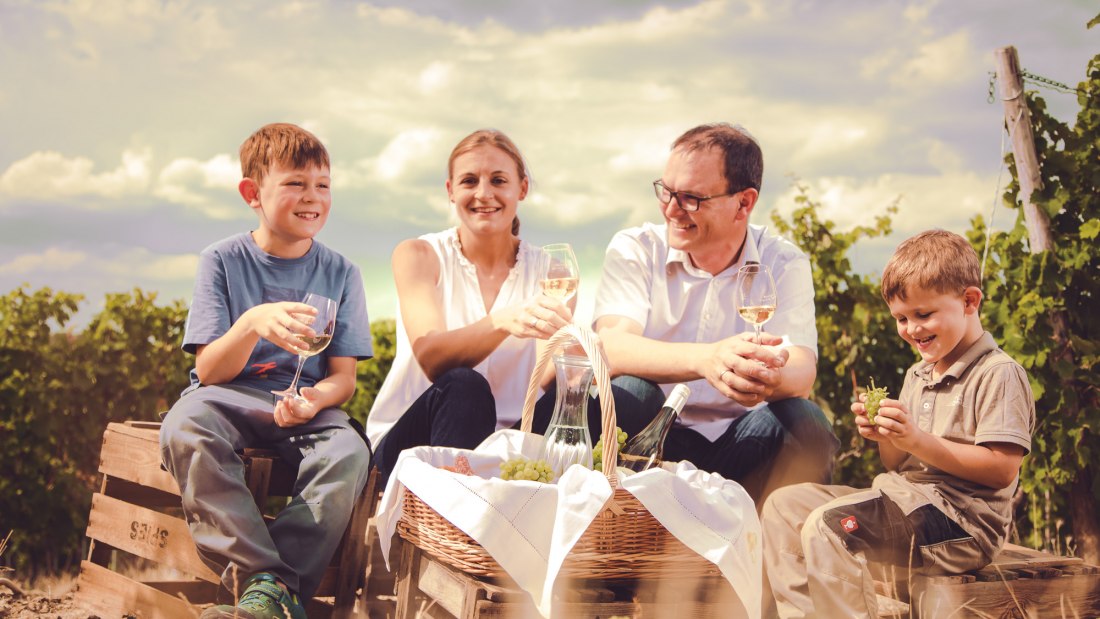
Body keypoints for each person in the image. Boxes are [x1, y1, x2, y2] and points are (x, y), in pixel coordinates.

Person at [761, 229, 1036, 618]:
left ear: (970, 301)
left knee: (829, 527)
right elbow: (896, 465)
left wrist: (917, 439)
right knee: (784, 506)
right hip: (907, 499)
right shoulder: (918, 374)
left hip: (962, 522)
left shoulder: (998, 373)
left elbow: (1001, 469)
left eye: (923, 314)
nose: (911, 329)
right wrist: (886, 436)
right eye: (901, 318)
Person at [159, 123, 373, 619]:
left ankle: (265, 601)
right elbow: (210, 371)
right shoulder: (222, 259)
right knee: (184, 428)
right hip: (228, 394)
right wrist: (252, 322)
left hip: (302, 400)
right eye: (296, 183)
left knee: (347, 452)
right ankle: (272, 584)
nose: (313, 196)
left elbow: (343, 379)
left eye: (323, 185)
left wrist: (316, 400)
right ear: (252, 193)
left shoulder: (342, 273)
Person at [592, 122, 838, 502]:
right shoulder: (635, 247)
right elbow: (610, 346)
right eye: (666, 191)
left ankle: (773, 552)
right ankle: (612, 537)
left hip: (743, 442)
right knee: (629, 392)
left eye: (691, 197)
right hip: (656, 440)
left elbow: (802, 369)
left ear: (744, 203)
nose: (672, 209)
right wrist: (708, 359)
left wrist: (761, 373)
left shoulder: (782, 261)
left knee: (805, 422)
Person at [367, 129, 573, 481]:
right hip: (414, 448)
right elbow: (432, 358)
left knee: (588, 401)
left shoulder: (552, 271)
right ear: (450, 191)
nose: (483, 193)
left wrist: (574, 349)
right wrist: (501, 321)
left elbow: (549, 375)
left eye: (498, 180)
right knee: (464, 385)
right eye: (469, 181)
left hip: (508, 449)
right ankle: (453, 524)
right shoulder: (418, 254)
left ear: (521, 189)